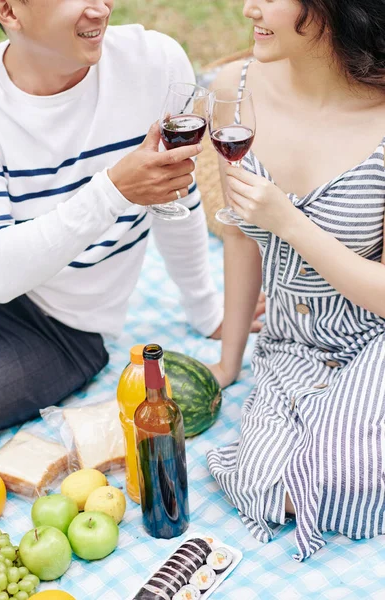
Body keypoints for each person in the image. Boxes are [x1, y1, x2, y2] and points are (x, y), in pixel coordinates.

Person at [0, 0, 267, 437]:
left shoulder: (153, 63)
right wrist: (114, 190)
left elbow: (176, 198)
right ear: (8, 10)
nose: (100, 9)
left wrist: (205, 308)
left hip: (60, 329)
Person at [207, 0, 385, 561]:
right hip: (289, 343)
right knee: (267, 487)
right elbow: (238, 239)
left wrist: (287, 221)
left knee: (344, 479)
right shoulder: (233, 92)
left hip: (372, 337)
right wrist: (230, 361)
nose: (247, 8)